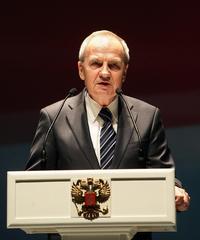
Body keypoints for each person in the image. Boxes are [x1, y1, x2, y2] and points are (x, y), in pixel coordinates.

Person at [25, 30, 190, 240]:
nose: (105, 73)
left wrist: (174, 191)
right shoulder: (53, 117)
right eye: (96, 64)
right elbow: (32, 185)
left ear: (124, 72)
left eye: (113, 65)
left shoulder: (147, 117)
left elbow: (163, 174)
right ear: (81, 69)